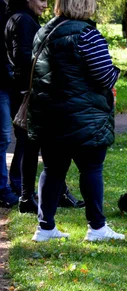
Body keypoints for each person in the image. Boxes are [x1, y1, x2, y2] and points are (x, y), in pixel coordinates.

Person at [28, 0, 124, 242]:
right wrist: (116, 73)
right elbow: (104, 75)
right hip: (84, 117)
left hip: (50, 117)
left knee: (52, 170)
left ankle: (45, 228)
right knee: (91, 168)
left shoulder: (44, 31)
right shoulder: (87, 34)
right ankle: (97, 228)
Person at [4, 0, 83, 214]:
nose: (46, 5)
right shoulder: (23, 20)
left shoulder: (19, 18)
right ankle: (33, 196)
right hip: (30, 92)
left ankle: (42, 195)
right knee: (38, 146)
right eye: (41, 0)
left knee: (31, 146)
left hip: (25, 91)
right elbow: (23, 57)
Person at [0, 0, 18, 208]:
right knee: (3, 137)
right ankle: (2, 189)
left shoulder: (13, 9)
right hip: (3, 83)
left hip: (10, 82)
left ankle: (11, 185)